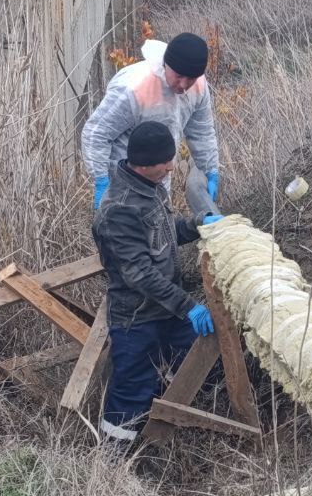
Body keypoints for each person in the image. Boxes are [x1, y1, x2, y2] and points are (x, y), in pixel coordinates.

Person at [92, 120, 222, 446]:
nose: (170, 167)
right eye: (165, 162)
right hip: (137, 318)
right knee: (132, 390)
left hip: (166, 311)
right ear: (146, 163)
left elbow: (163, 235)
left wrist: (199, 224)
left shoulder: (149, 188)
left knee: (196, 360)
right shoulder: (119, 210)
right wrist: (189, 307)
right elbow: (140, 274)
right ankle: (110, 464)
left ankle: (167, 442)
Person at [81, 33, 220, 216]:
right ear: (166, 64)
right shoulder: (134, 88)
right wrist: (101, 180)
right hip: (124, 181)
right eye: (179, 76)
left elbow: (201, 132)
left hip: (160, 177)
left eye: (191, 78)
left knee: (159, 230)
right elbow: (96, 133)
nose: (184, 85)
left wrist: (210, 170)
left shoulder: (199, 87)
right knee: (126, 233)